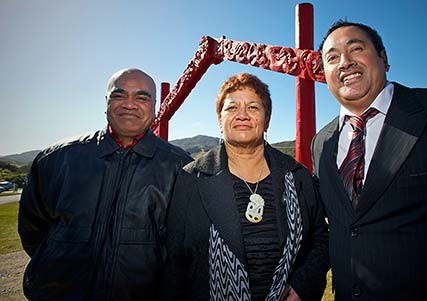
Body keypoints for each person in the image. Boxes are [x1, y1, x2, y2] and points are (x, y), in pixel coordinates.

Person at [312, 20, 427, 301]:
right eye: (332, 58)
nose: (345, 63)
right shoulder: (321, 144)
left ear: (384, 58)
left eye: (356, 49)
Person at [18, 68, 192, 300]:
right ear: (106, 101)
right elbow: (33, 231)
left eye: (142, 97)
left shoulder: (182, 169)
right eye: (119, 95)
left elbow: (185, 248)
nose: (129, 104)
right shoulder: (57, 160)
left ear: (154, 106)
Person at [160, 73, 329, 301]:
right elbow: (174, 261)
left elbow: (320, 239)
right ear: (220, 120)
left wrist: (302, 286)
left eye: (253, 107)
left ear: (267, 119)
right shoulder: (191, 179)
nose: (242, 115)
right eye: (231, 108)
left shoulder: (297, 176)